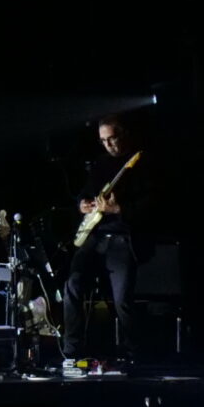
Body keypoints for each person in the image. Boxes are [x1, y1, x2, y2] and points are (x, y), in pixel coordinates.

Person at [60, 114, 155, 375]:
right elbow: (85, 192)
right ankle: (72, 352)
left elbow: (152, 207)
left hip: (123, 239)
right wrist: (82, 204)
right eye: (103, 140)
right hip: (95, 237)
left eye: (112, 138)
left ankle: (132, 353)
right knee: (72, 286)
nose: (109, 145)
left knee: (122, 299)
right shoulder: (101, 164)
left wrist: (118, 209)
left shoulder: (141, 164)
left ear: (123, 135)